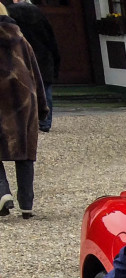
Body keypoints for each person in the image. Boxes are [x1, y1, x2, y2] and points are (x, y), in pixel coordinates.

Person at [0, 1, 47, 218]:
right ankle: (27, 205)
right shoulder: (20, 38)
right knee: (25, 152)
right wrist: (43, 106)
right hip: (23, 98)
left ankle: (2, 193)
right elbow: (34, 71)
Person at [7, 0, 56, 132]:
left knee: (20, 90)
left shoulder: (10, 16)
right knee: (45, 90)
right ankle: (45, 122)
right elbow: (50, 40)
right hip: (42, 56)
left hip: (19, 57)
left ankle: (23, 122)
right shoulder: (39, 15)